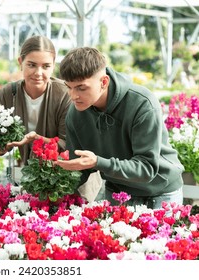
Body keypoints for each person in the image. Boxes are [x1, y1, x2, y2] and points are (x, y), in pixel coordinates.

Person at [56, 46, 184, 209]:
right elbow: (78, 168)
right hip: (117, 192)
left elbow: (146, 168)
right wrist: (54, 189)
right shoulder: (75, 113)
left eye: (81, 88)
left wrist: (97, 162)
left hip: (161, 193)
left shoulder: (142, 104)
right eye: (69, 87)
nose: (73, 95)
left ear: (103, 82)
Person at [0, 35, 71, 165]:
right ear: (20, 62)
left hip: (65, 174)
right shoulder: (8, 94)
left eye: (46, 66)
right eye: (31, 65)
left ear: (53, 66)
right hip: (31, 173)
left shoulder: (65, 94)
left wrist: (38, 139)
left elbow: (68, 144)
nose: (38, 72)